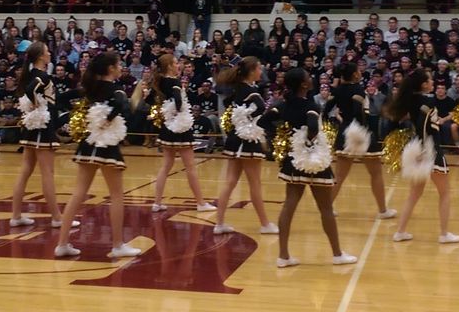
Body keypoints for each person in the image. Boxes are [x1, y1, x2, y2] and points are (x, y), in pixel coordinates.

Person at [54, 53, 142, 259]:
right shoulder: (116, 89)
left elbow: (62, 98)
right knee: (117, 195)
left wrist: (83, 116)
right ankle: (118, 245)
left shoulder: (90, 89)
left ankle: (62, 244)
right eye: (119, 64)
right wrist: (108, 119)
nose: (121, 67)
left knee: (78, 193)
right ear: (111, 69)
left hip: (88, 143)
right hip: (107, 145)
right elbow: (122, 105)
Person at [273, 68, 357, 267]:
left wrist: (283, 138)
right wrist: (309, 143)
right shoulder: (310, 105)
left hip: (294, 159)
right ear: (303, 84)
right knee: (326, 208)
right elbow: (312, 125)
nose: (311, 79)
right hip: (313, 159)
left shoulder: (283, 104)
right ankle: (337, 254)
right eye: (308, 78)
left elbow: (267, 120)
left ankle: (283, 256)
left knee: (289, 205)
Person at [388, 69, 459, 244]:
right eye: (430, 79)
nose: (433, 82)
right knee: (445, 193)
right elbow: (423, 125)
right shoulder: (428, 101)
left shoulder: (412, 100)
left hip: (419, 148)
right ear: (424, 84)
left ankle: (400, 232)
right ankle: (444, 234)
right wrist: (423, 148)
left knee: (414, 194)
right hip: (430, 150)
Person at [9, 43, 77, 228]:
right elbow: (31, 91)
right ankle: (56, 218)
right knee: (47, 173)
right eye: (47, 51)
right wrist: (36, 107)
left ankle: (16, 216)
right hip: (41, 128)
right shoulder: (42, 76)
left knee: (25, 171)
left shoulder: (32, 74)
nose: (50, 53)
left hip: (34, 126)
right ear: (40, 56)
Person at [212, 57, 277, 235]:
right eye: (259, 69)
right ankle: (265, 224)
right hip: (248, 140)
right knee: (255, 183)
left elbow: (228, 105)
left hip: (234, 138)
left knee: (230, 182)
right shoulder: (252, 92)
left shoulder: (235, 89)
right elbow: (262, 110)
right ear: (251, 71)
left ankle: (219, 223)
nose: (261, 72)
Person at [143, 53, 214, 213]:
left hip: (168, 128)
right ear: (169, 66)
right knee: (190, 167)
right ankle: (201, 203)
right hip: (180, 128)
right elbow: (178, 100)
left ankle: (157, 202)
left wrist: (166, 111)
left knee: (166, 166)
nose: (179, 65)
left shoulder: (159, 82)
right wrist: (178, 110)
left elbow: (148, 101)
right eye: (175, 63)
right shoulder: (174, 82)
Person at [326, 63, 396, 219]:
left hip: (344, 134)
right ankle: (383, 210)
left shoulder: (337, 91)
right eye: (358, 71)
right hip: (362, 134)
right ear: (355, 75)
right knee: (376, 174)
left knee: (339, 176)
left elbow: (325, 110)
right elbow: (359, 112)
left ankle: (327, 208)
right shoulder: (358, 90)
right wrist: (362, 129)